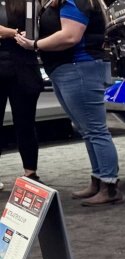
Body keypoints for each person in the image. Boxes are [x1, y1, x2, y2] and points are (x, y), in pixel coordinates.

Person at [17, 0, 123, 205]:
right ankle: (99, 179)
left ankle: (109, 185)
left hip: (79, 67)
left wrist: (35, 45)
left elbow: (70, 36)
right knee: (88, 130)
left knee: (95, 130)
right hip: (69, 68)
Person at [0, 0, 44, 191]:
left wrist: (11, 33)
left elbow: (35, 32)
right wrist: (13, 33)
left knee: (26, 123)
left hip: (24, 68)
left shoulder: (29, 2)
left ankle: (30, 173)